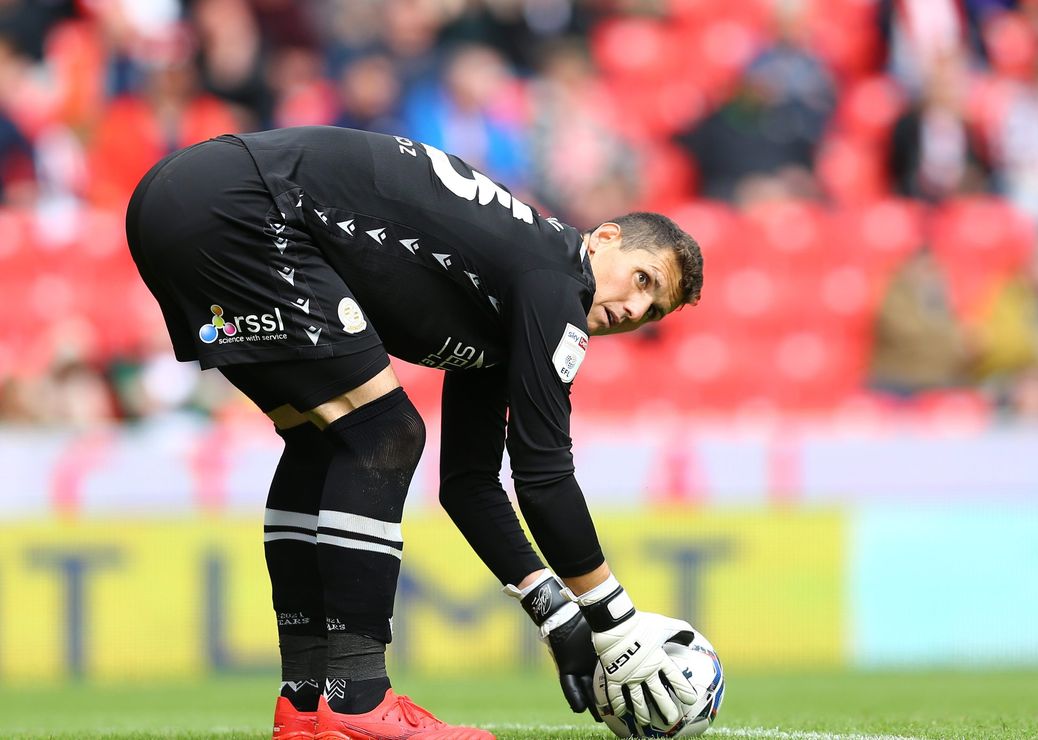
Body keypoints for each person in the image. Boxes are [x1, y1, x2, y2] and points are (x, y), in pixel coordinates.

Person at [124, 125, 704, 740]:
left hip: (182, 202)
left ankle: (306, 705)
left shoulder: (520, 294)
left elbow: (469, 484)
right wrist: (614, 621)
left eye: (653, 311)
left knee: (325, 439)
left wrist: (555, 613)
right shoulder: (556, 278)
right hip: (242, 203)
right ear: (604, 239)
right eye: (642, 280)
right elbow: (544, 476)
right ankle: (359, 704)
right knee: (387, 433)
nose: (635, 311)